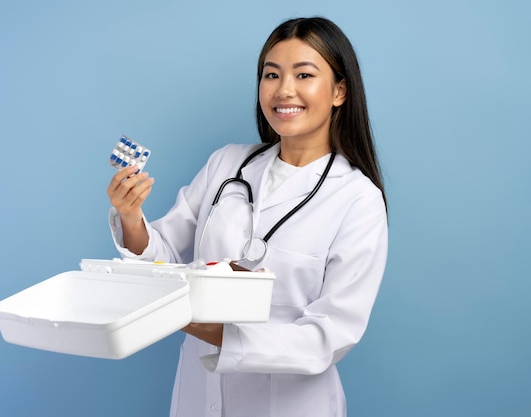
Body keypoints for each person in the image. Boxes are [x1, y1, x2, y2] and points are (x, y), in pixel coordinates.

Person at [107, 16, 388, 417]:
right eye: (271, 74)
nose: (283, 89)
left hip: (291, 405)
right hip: (197, 396)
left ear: (340, 90)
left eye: (303, 74)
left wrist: (187, 319)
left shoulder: (358, 199)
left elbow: (329, 336)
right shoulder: (227, 163)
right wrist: (131, 216)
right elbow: (162, 258)